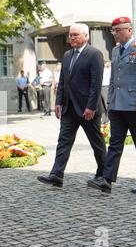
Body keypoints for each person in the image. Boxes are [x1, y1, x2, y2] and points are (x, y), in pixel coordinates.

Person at [88, 16, 136, 194]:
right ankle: (107, 180)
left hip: (135, 106)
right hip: (117, 105)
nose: (115, 34)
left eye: (118, 30)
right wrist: (109, 101)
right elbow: (112, 79)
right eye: (113, 30)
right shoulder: (116, 51)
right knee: (115, 144)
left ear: (129, 30)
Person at [37, 23, 106, 188]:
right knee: (63, 142)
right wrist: (58, 102)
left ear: (86, 36)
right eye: (70, 35)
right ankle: (56, 175)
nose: (71, 38)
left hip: (87, 109)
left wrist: (90, 107)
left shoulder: (94, 54)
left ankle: (104, 174)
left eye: (75, 35)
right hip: (69, 108)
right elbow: (62, 82)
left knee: (96, 142)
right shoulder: (67, 55)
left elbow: (96, 84)